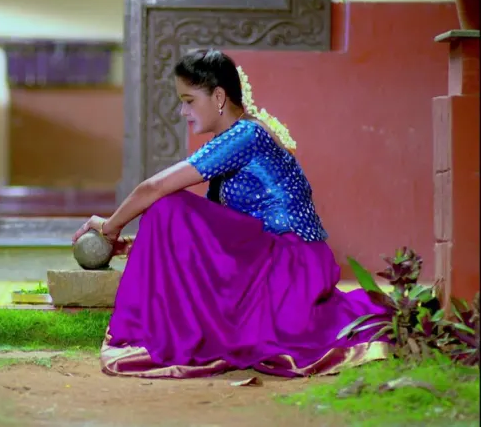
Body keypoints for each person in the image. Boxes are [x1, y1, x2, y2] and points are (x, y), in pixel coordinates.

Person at [73, 49, 390, 378]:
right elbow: (211, 235)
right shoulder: (233, 138)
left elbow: (154, 188)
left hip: (292, 266)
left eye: (189, 101)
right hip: (269, 260)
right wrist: (136, 244)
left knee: (167, 205)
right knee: (170, 211)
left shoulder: (246, 135)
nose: (183, 112)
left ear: (219, 97)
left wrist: (108, 228)